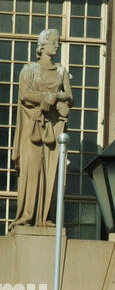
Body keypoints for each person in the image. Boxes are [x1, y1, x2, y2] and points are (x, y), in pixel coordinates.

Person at [12, 28, 72, 227]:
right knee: (32, 170)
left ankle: (46, 218)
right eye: (53, 42)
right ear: (42, 45)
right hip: (32, 129)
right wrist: (46, 97)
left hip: (54, 131)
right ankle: (27, 216)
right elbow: (24, 94)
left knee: (51, 173)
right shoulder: (29, 70)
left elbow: (69, 97)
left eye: (58, 42)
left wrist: (56, 97)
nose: (57, 45)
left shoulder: (62, 72)